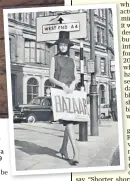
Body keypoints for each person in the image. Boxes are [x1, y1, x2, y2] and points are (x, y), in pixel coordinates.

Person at [49, 31, 79, 165]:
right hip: (59, 92)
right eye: (60, 44)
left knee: (69, 122)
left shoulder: (72, 60)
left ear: (68, 46)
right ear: (58, 45)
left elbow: (76, 76)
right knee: (69, 122)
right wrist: (62, 85)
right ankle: (76, 152)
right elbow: (51, 77)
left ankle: (63, 148)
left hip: (71, 92)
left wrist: (73, 84)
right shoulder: (54, 59)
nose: (62, 47)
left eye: (64, 45)